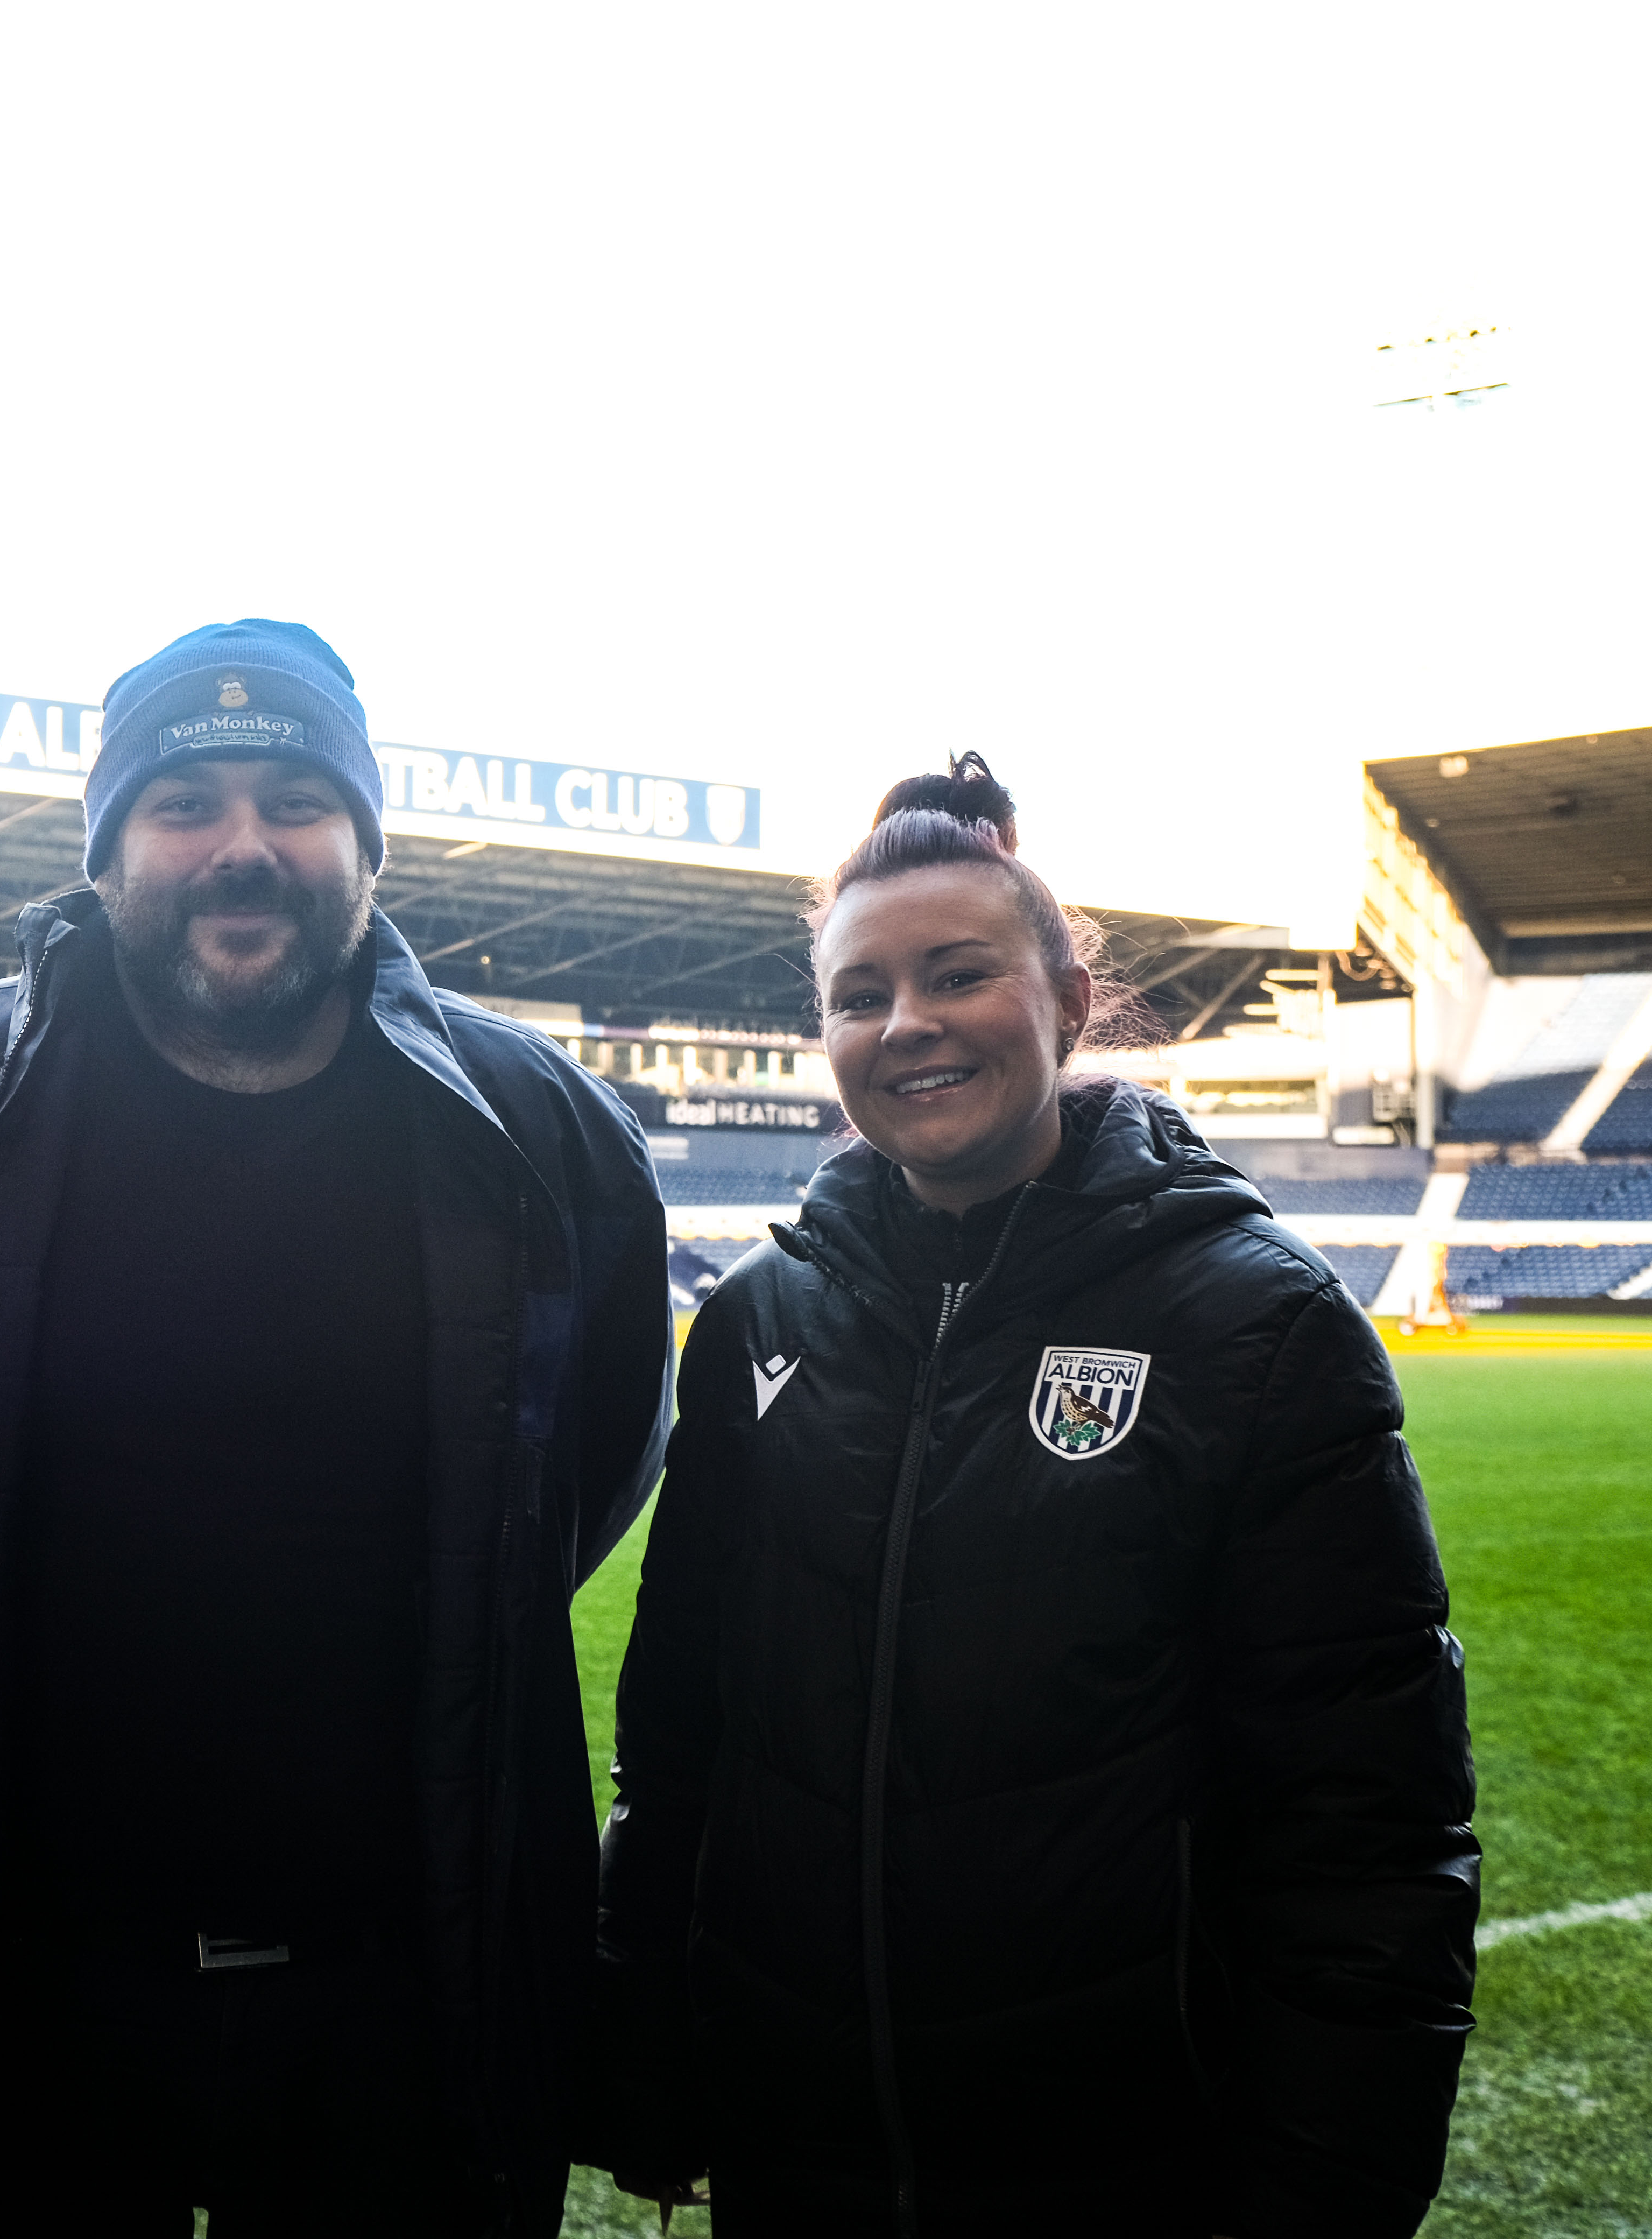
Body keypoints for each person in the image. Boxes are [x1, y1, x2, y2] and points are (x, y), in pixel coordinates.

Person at [0, 619, 675, 2237]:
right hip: (26, 1987)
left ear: (369, 846)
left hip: (399, 1999)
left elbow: (583, 1467)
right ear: (104, 854)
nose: (245, 846)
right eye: (184, 804)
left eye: (297, 799)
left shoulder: (540, 1131)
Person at [584, 754, 1479, 2236]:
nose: (908, 1024)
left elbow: (1366, 1824)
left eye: (956, 974)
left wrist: (1334, 2180)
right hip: (798, 2143)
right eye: (859, 995)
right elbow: (681, 1741)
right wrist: (650, 2059)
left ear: (1068, 999)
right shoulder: (757, 1321)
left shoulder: (1256, 1328)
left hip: (1130, 2158)